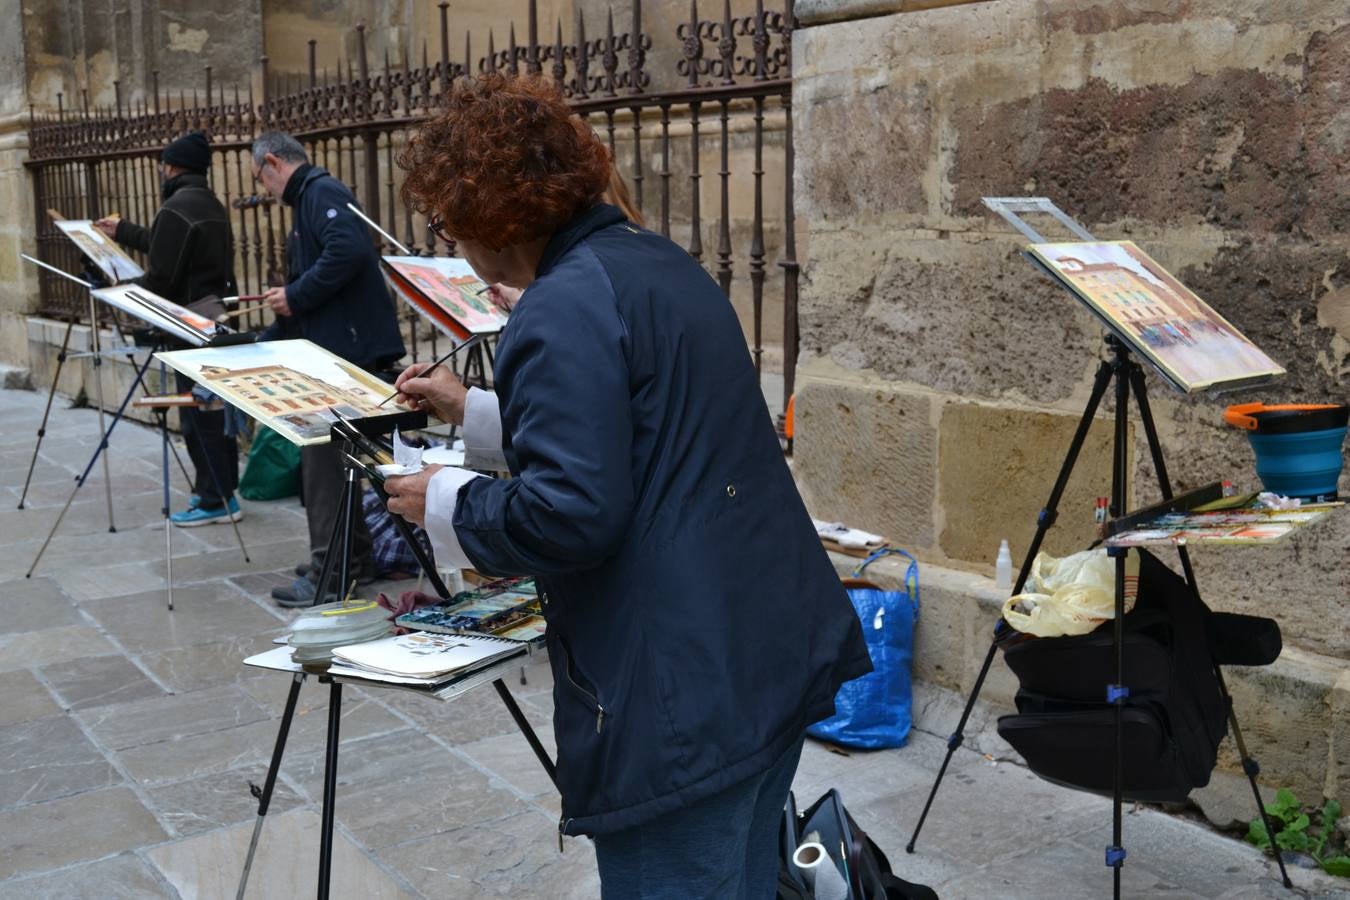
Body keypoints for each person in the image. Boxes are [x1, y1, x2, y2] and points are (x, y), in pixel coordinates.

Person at [382, 73, 870, 899]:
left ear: (490, 217)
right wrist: (476, 411)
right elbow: (651, 424)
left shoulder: (562, 305)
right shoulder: (652, 262)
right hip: (756, 654)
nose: (453, 246)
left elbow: (570, 514)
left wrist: (444, 497)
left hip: (681, 694)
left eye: (448, 224)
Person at [249, 132, 407, 608]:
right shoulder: (312, 197)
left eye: (262, 179)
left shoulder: (321, 192)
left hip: (346, 356)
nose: (266, 190)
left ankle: (329, 574)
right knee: (341, 468)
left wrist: (294, 296)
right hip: (337, 351)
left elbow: (349, 252)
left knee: (321, 465)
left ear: (273, 163)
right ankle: (349, 561)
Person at [95, 131, 243, 527]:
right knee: (214, 409)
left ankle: (215, 499)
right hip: (215, 319)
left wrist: (116, 288)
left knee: (198, 413)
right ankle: (223, 491)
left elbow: (161, 277)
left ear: (172, 167)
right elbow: (167, 245)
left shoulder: (177, 207)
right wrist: (123, 230)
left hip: (189, 325)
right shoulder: (205, 203)